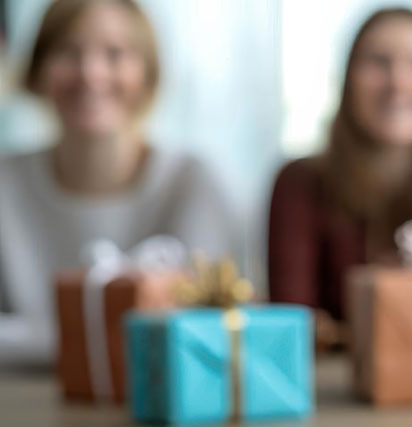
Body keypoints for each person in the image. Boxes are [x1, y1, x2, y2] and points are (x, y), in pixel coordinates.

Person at [0, 0, 240, 367]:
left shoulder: (193, 183)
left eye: (115, 54)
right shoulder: (6, 184)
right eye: (67, 51)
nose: (90, 74)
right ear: (38, 70)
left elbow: (203, 331)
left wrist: (34, 338)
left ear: (148, 74)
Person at [268, 7, 412, 346]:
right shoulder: (299, 184)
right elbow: (292, 326)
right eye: (379, 62)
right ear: (348, 80)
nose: (399, 82)